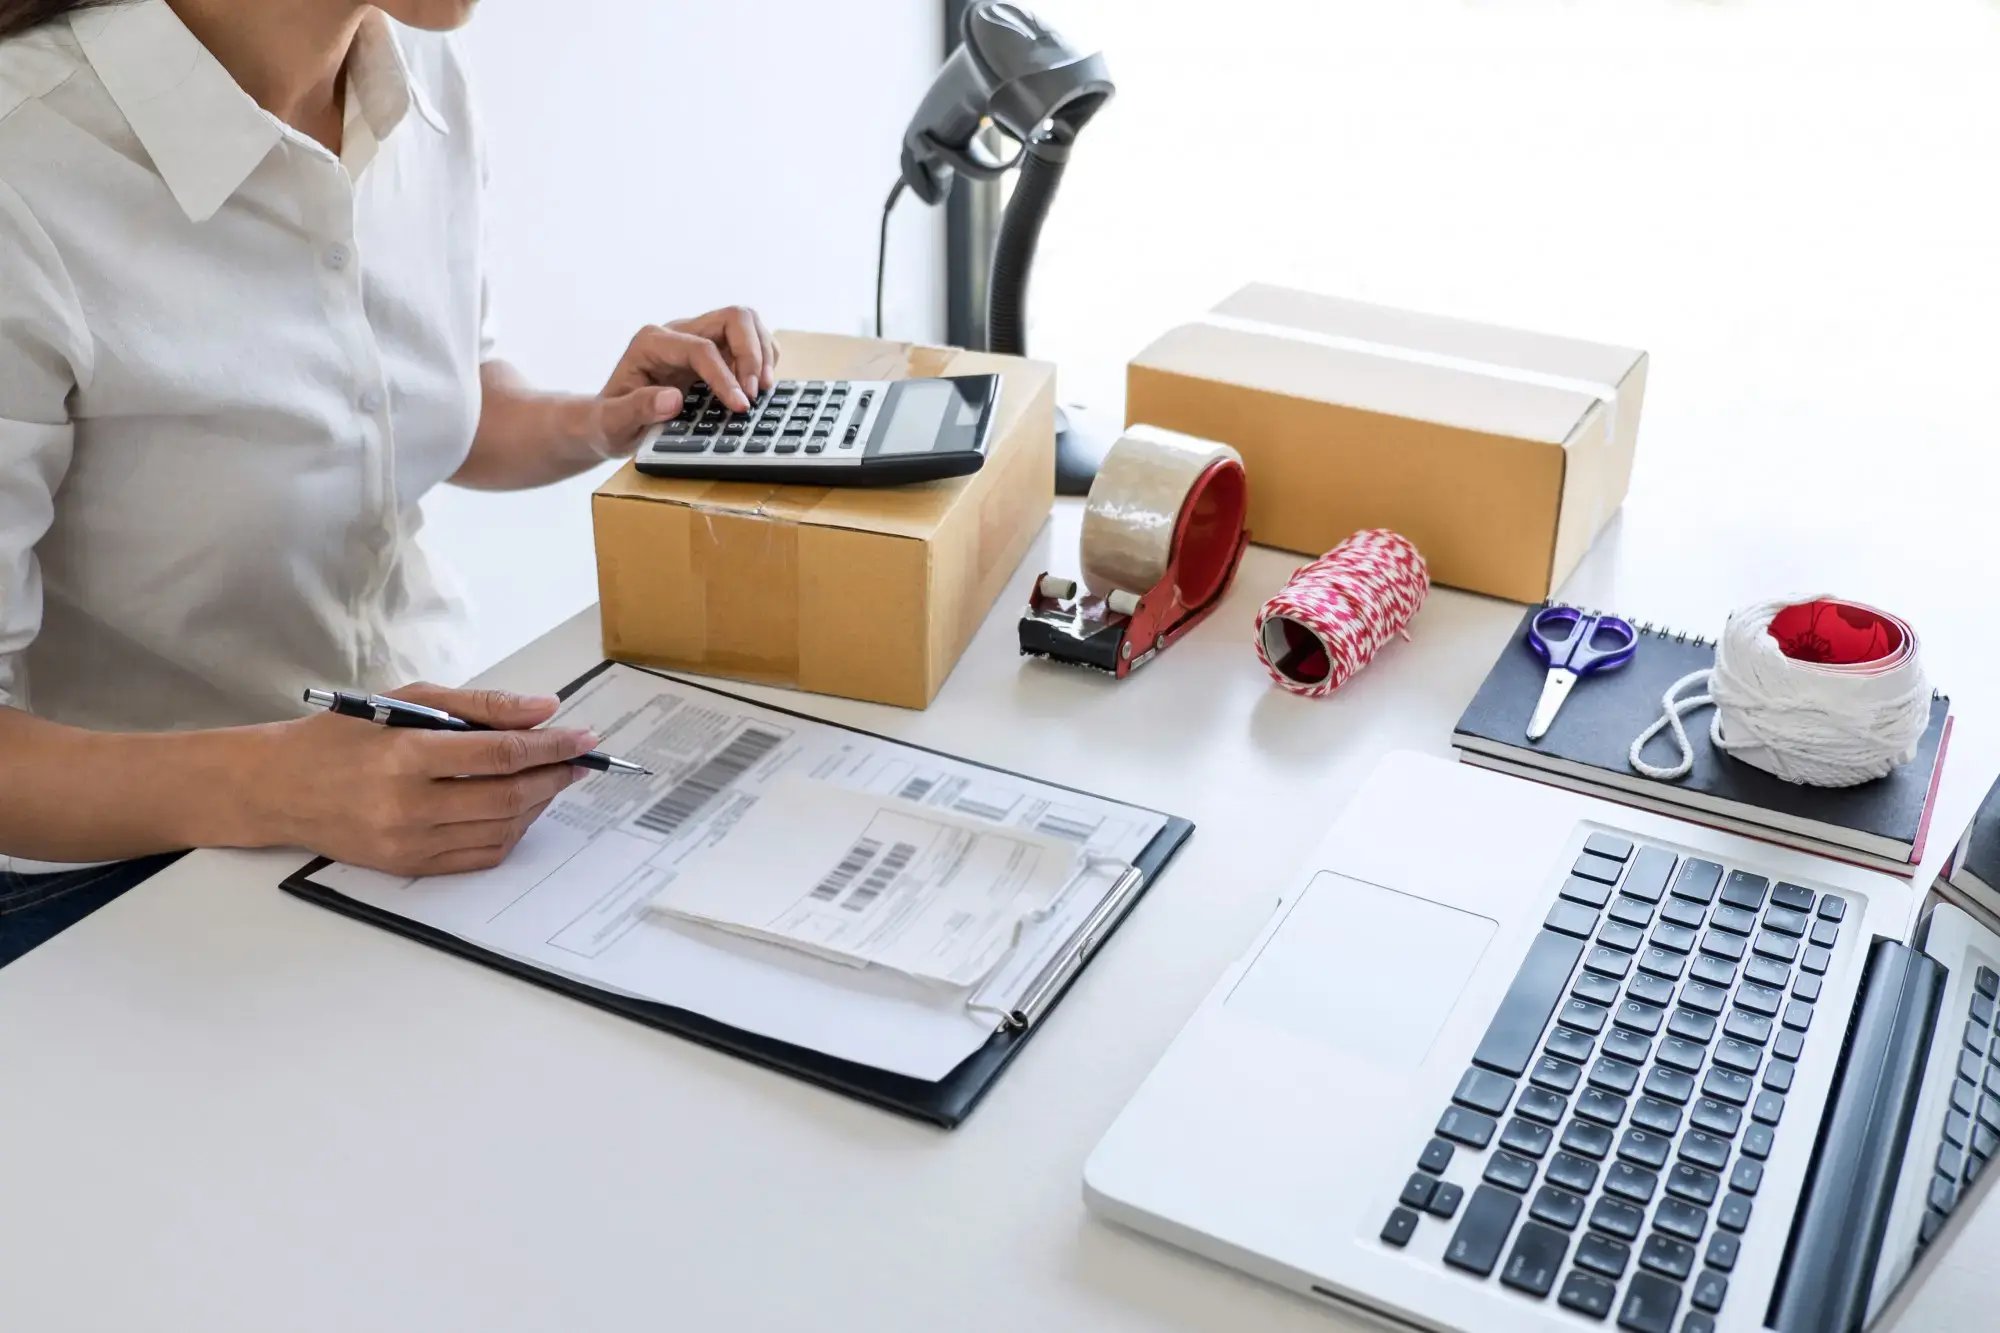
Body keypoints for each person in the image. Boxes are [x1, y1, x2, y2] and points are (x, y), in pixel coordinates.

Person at [0, 0, 772, 964]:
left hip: (411, 786)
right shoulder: (27, 168)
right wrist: (286, 785)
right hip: (110, 877)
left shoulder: (414, 74)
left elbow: (426, 403)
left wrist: (600, 419)